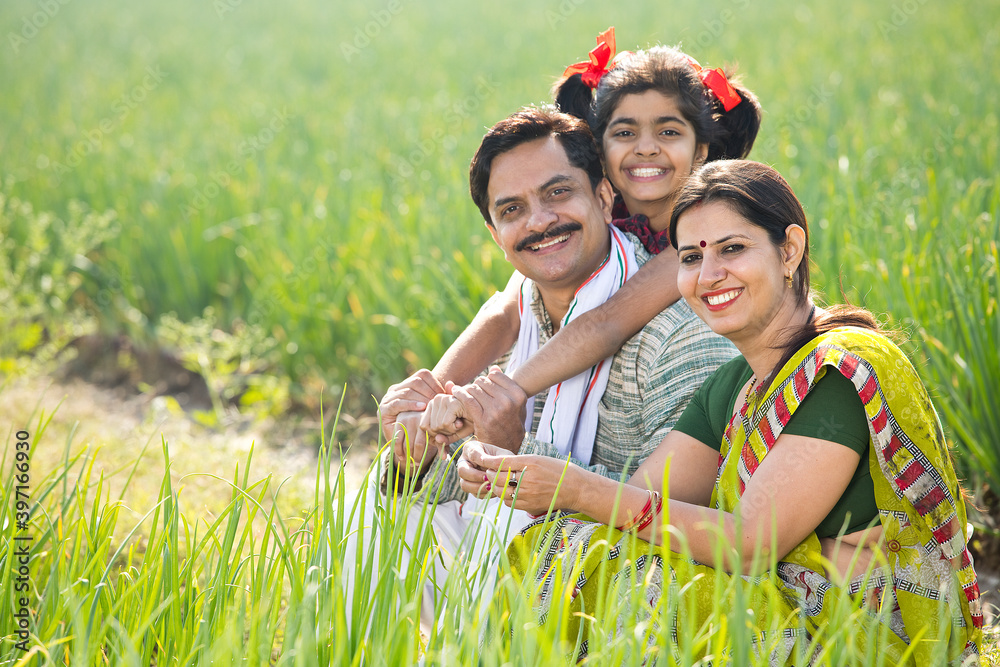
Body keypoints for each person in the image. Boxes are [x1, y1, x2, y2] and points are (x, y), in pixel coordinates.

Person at [465, 160, 983, 664]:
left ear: (789, 250)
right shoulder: (734, 386)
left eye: (732, 249)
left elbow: (751, 545)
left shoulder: (836, 372)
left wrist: (577, 489)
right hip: (775, 610)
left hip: (856, 637)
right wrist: (521, 472)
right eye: (691, 258)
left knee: (627, 572)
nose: (709, 275)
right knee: (569, 545)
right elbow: (640, 499)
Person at [350, 106, 736, 632]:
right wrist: (414, 452)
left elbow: (677, 514)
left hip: (636, 585)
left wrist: (514, 451)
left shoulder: (680, 334)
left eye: (557, 193)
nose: (538, 221)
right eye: (512, 209)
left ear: (604, 196)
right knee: (374, 509)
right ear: (495, 233)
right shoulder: (516, 320)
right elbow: (463, 487)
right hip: (541, 556)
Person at [380, 30, 762, 460]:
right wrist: (430, 396)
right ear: (600, 150)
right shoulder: (600, 218)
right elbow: (504, 311)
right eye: (625, 132)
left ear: (701, 150)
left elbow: (605, 324)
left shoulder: (696, 239)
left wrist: (507, 393)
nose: (646, 148)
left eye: (669, 131)